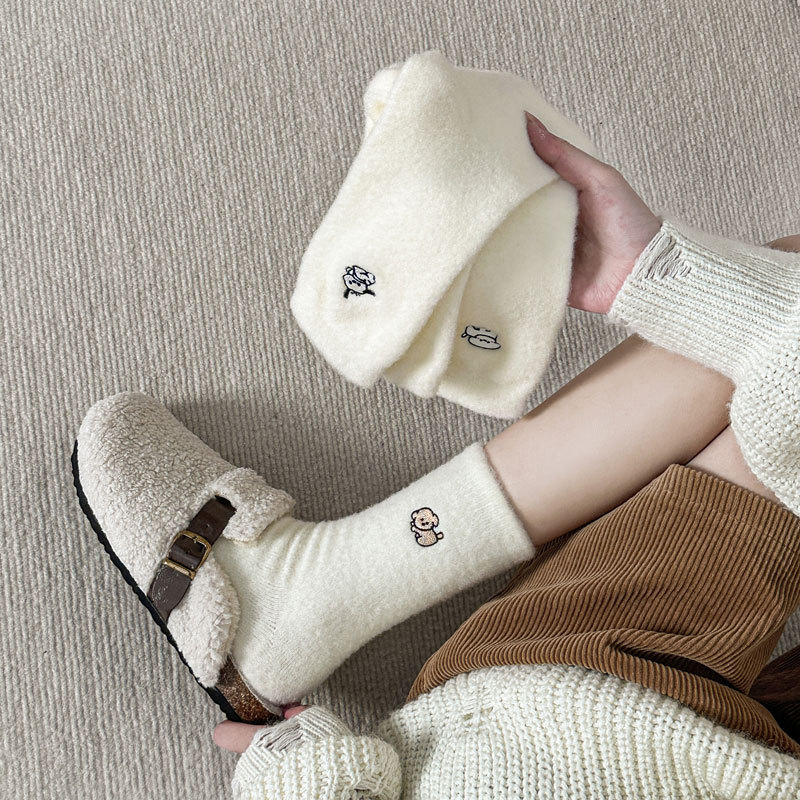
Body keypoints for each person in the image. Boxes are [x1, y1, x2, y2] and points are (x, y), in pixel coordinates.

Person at [75, 113, 800, 798]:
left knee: (779, 318)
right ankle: (317, 596)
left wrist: (658, 276)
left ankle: (324, 590)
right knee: (773, 373)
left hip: (578, 738)